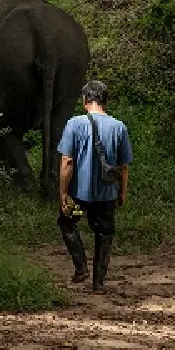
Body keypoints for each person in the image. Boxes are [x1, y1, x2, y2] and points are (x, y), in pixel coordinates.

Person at [57, 80, 132, 292]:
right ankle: (98, 283)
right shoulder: (119, 127)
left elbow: (67, 162)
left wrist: (63, 193)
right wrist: (122, 191)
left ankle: (81, 267)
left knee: (68, 224)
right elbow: (123, 166)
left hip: (77, 194)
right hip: (106, 193)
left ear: (85, 101)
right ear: (106, 101)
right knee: (104, 233)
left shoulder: (74, 124)